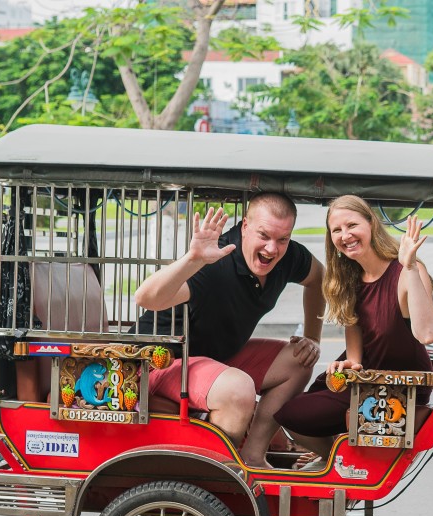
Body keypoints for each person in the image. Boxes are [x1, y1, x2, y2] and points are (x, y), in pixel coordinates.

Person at [134, 192, 325, 469]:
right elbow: (145, 298)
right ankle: (216, 475)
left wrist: (313, 337)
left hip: (216, 360)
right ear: (245, 226)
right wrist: (193, 258)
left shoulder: (289, 256)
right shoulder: (216, 262)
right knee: (237, 389)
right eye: (264, 235)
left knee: (301, 358)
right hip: (161, 363)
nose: (272, 249)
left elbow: (319, 279)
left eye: (282, 239)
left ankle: (253, 457)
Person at [275, 195, 433, 467]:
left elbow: (428, 334)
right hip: (366, 378)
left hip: (396, 388)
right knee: (290, 412)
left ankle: (338, 461)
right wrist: (347, 365)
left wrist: (411, 267)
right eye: (337, 230)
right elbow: (355, 356)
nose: (345, 235)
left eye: (352, 225)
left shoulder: (406, 270)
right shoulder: (350, 279)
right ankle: (336, 456)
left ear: (371, 224)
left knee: (293, 415)